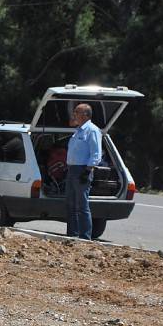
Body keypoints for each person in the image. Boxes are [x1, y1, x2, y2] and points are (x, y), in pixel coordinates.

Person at [65, 103, 102, 240]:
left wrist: (87, 171)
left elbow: (96, 154)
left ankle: (85, 237)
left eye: (77, 112)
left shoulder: (92, 130)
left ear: (85, 115)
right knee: (70, 204)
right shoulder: (78, 130)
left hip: (82, 170)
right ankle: (72, 235)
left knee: (82, 205)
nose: (74, 114)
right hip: (72, 169)